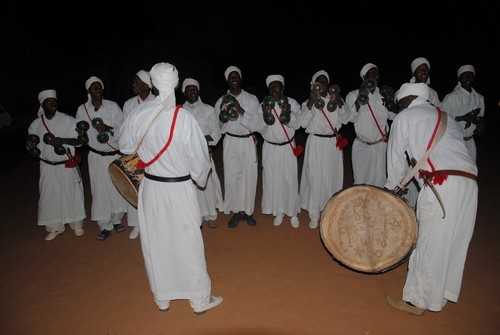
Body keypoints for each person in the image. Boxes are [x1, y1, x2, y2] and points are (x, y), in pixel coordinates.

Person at [119, 62, 222, 314]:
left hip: (151, 189)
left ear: (152, 84)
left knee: (156, 242)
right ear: (176, 84)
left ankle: (162, 296)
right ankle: (198, 300)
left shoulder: (138, 113)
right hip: (179, 189)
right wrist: (199, 178)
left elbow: (123, 147)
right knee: (189, 242)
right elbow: (200, 162)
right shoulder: (184, 118)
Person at [385, 83, 478, 315]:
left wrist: (392, 187)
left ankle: (416, 300)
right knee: (454, 240)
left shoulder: (405, 117)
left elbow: (396, 157)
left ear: (406, 100)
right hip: (469, 182)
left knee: (429, 241)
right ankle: (441, 294)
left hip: (441, 183)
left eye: (400, 104)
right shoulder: (447, 117)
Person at [27, 90, 86, 240]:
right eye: (49, 102)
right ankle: (55, 227)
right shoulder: (36, 124)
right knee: (49, 196)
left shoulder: (67, 120)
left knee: (71, 193)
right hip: (47, 165)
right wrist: (31, 148)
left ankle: (76, 224)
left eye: (54, 102)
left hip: (65, 164)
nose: (53, 104)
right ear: (42, 104)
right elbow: (32, 144)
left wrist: (62, 140)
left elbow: (80, 141)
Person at [76, 76, 127, 240]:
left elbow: (124, 128)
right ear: (89, 91)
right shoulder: (82, 110)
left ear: (102, 89)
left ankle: (117, 219)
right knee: (99, 190)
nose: (97, 90)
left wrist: (107, 127)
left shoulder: (112, 106)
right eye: (93, 87)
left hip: (113, 154)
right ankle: (104, 225)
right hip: (96, 156)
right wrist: (81, 135)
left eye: (99, 87)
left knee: (116, 187)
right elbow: (79, 132)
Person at [300, 70, 350, 229]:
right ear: (314, 85)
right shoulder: (308, 102)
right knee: (315, 178)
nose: (322, 84)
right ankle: (314, 215)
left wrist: (340, 101)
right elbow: (302, 123)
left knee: (332, 178)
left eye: (324, 81)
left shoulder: (335, 100)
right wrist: (311, 102)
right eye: (319, 81)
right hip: (315, 142)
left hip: (332, 145)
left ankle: (330, 213)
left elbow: (346, 118)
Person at [215, 66, 260, 228]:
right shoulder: (221, 100)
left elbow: (256, 124)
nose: (234, 78)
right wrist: (222, 117)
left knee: (250, 176)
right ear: (227, 80)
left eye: (236, 76)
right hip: (230, 142)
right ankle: (236, 211)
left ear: (240, 79)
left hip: (247, 141)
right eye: (230, 76)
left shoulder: (252, 99)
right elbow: (217, 126)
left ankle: (247, 212)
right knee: (232, 176)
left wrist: (239, 109)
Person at [257, 74, 301, 228]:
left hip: (288, 147)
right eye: (272, 87)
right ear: (268, 89)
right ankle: (279, 211)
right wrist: (265, 113)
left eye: (278, 86)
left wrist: (287, 114)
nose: (275, 90)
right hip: (270, 148)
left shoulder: (292, 103)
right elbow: (259, 128)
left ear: (283, 88)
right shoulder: (263, 104)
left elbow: (298, 124)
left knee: (290, 179)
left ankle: (293, 212)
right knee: (273, 179)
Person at [182, 77, 223, 228]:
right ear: (184, 93)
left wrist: (202, 141)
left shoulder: (209, 109)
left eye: (194, 88)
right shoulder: (180, 111)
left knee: (207, 185)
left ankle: (210, 214)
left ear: (198, 91)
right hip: (185, 157)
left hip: (205, 153)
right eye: (188, 89)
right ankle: (195, 216)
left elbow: (216, 133)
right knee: (190, 188)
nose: (192, 91)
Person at [346, 63, 395, 187]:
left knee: (380, 181)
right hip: (362, 146)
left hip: (381, 146)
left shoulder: (383, 94)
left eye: (376, 73)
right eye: (371, 73)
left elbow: (393, 116)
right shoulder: (353, 95)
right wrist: (360, 99)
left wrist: (391, 103)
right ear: (364, 77)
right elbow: (350, 118)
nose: (375, 76)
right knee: (360, 182)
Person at [122, 70, 155, 239]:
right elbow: (125, 128)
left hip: (153, 153)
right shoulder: (128, 104)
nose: (133, 85)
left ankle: (153, 225)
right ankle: (136, 224)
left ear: (146, 84)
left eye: (136, 82)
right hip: (135, 153)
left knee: (152, 189)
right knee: (134, 187)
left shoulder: (157, 102)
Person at [441, 65, 485, 161]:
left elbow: (480, 118)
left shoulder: (479, 98)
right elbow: (442, 119)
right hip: (454, 142)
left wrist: (480, 124)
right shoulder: (451, 97)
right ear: (460, 78)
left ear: (473, 78)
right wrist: (463, 118)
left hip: (470, 140)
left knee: (471, 169)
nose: (468, 78)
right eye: (465, 75)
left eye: (470, 75)